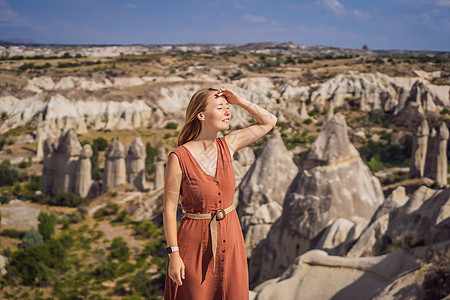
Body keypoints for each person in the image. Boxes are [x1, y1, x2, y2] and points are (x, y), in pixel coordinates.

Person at [163, 87, 277, 299]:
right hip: (194, 242)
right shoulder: (178, 158)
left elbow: (269, 121)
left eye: (227, 107)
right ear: (201, 115)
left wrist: (240, 101)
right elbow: (169, 210)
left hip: (231, 236)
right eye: (220, 107)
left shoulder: (229, 145)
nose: (227, 112)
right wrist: (174, 255)